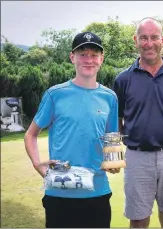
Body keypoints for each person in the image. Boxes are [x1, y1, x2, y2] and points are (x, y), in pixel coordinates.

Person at [24, 31, 120, 228]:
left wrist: (114, 160)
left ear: (101, 59)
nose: (88, 60)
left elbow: (112, 137)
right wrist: (36, 163)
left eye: (94, 55)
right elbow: (31, 134)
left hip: (98, 192)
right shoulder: (55, 94)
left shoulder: (110, 97)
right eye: (82, 54)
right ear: (72, 57)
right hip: (60, 192)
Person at [113, 17, 163, 228]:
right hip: (137, 158)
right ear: (135, 41)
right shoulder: (123, 79)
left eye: (154, 37)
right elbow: (117, 121)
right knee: (138, 220)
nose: (149, 43)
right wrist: (137, 140)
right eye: (143, 38)